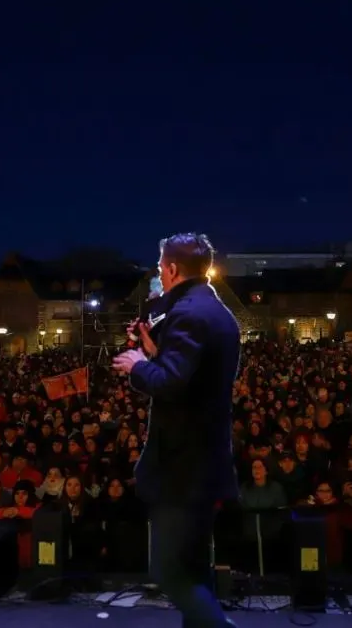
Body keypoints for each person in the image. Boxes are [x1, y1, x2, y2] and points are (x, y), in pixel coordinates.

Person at [113, 232, 240, 628]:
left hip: (183, 469)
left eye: (160, 267)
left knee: (169, 571)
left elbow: (170, 384)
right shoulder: (213, 310)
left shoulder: (187, 314)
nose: (159, 274)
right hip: (204, 463)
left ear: (170, 269)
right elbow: (192, 377)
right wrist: (155, 350)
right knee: (194, 569)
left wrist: (137, 364)